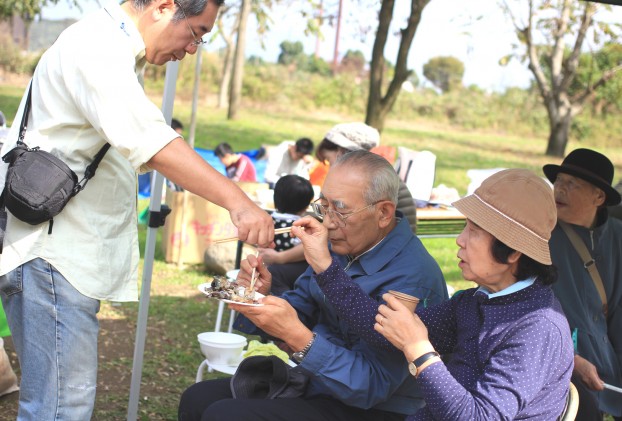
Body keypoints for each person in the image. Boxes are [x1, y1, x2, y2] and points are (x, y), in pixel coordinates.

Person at [0, 1, 274, 419]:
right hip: (52, 255)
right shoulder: (98, 47)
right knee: (59, 409)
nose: (193, 48)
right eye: (197, 32)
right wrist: (239, 203)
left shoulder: (116, 49)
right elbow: (151, 141)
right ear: (164, 7)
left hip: (61, 253)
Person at [178, 150, 448, 420]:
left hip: (375, 408)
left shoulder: (413, 278)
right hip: (317, 383)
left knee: (226, 415)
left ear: (384, 213)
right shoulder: (344, 245)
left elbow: (370, 386)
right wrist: (261, 298)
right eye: (324, 207)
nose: (328, 222)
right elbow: (302, 308)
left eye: (341, 210)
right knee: (197, 398)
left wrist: (299, 338)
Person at [306, 168, 575, 420]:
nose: (460, 240)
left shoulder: (537, 327)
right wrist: (325, 267)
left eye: (475, 232)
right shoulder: (475, 301)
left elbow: (478, 416)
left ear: (513, 252)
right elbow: (384, 332)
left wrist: (419, 350)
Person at [259, 122, 419, 295]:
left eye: (329, 160)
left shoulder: (370, 187)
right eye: (326, 207)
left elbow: (327, 237)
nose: (328, 223)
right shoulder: (364, 183)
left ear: (344, 153)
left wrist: (280, 257)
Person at [543, 148, 622, 421]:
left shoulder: (617, 237)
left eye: (571, 184)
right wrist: (571, 359)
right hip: (552, 361)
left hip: (605, 363)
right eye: (558, 182)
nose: (559, 190)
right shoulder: (541, 234)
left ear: (598, 196)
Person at [268, 175, 314, 295]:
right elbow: (307, 249)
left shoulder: (268, 221)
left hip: (270, 267)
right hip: (292, 274)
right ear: (306, 206)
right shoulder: (299, 226)